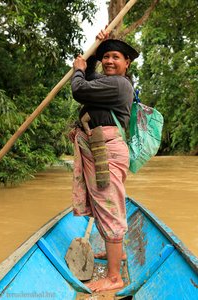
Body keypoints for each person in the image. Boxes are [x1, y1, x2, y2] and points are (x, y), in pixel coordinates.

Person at [69, 29, 139, 292]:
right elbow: (90, 78)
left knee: (108, 208)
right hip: (100, 147)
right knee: (102, 205)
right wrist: (97, 46)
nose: (109, 61)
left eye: (115, 57)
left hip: (106, 150)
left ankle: (113, 277)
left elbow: (80, 88)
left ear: (126, 63)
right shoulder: (107, 81)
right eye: (105, 57)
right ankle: (117, 255)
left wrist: (77, 68)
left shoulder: (120, 84)